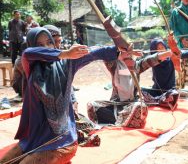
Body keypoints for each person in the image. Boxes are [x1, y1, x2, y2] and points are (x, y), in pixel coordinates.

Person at [0, 27, 119, 163]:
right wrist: (64, 53)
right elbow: (28, 53)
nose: (47, 47)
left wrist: (120, 50)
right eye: (40, 45)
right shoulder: (29, 64)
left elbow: (95, 52)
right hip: (33, 139)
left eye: (49, 42)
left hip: (61, 141)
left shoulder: (67, 63)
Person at [87, 40, 176, 128]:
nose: (128, 55)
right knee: (92, 106)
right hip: (117, 105)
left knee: (138, 107)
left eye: (129, 53)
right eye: (125, 52)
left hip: (132, 104)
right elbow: (104, 54)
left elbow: (152, 59)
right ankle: (124, 119)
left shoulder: (136, 66)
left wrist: (170, 53)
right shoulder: (113, 65)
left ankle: (124, 119)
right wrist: (122, 54)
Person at [141, 36, 188, 108]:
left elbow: (184, 53)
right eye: (158, 48)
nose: (161, 50)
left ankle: (161, 99)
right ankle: (159, 99)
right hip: (156, 90)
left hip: (170, 91)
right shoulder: (153, 59)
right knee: (140, 90)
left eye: (162, 47)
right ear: (153, 50)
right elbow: (142, 63)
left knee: (173, 95)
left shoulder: (171, 56)